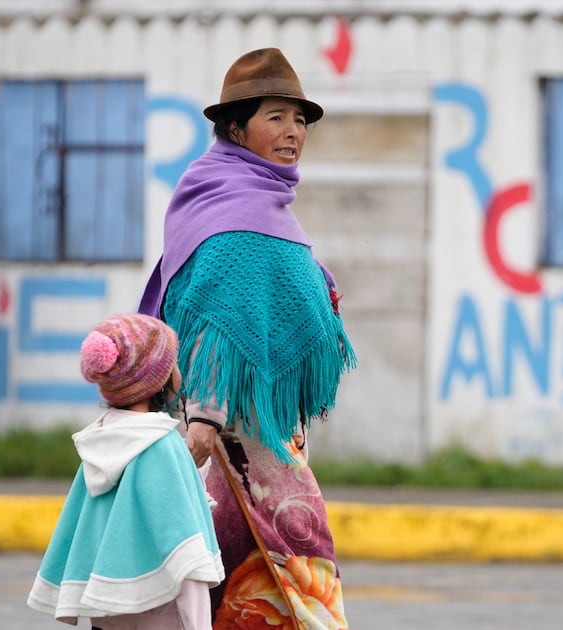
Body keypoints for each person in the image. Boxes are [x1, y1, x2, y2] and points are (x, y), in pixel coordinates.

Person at [137, 47, 356, 629]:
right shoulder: (236, 213)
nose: (292, 132)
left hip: (268, 440)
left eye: (300, 119)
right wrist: (206, 418)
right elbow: (217, 316)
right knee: (269, 584)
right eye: (276, 117)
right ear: (236, 127)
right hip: (231, 449)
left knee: (245, 591)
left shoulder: (249, 199)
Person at [27, 313, 225, 629]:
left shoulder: (97, 444)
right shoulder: (162, 445)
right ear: (157, 381)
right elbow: (188, 558)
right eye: (172, 364)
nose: (178, 372)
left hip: (108, 617)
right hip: (163, 615)